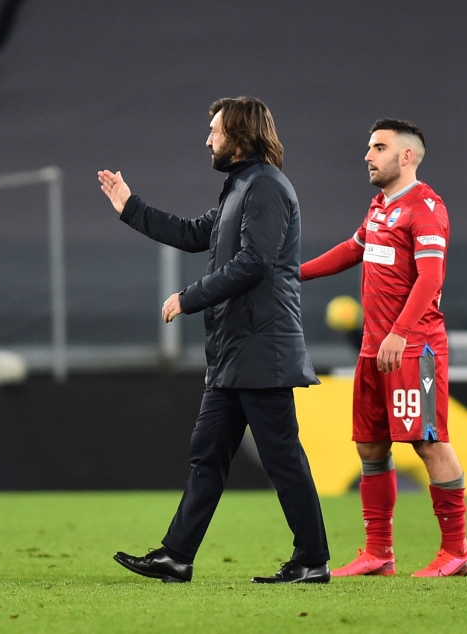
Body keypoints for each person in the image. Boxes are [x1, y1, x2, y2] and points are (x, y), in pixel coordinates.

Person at [98, 96, 329, 584]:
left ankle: (312, 559)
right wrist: (130, 207)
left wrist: (189, 296)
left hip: (261, 347)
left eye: (215, 131)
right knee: (207, 450)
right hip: (236, 351)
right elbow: (189, 232)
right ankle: (176, 556)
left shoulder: (265, 186)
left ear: (240, 137)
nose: (207, 139)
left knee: (282, 456)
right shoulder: (241, 187)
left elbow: (255, 263)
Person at [301, 119, 467, 578]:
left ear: (407, 157)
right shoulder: (380, 206)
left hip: (412, 348)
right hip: (374, 350)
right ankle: (379, 553)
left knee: (428, 443)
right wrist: (296, 272)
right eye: (369, 147)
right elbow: (351, 249)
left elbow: (431, 277)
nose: (368, 155)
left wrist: (399, 332)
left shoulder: (427, 208)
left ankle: (457, 551)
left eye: (379, 147)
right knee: (371, 448)